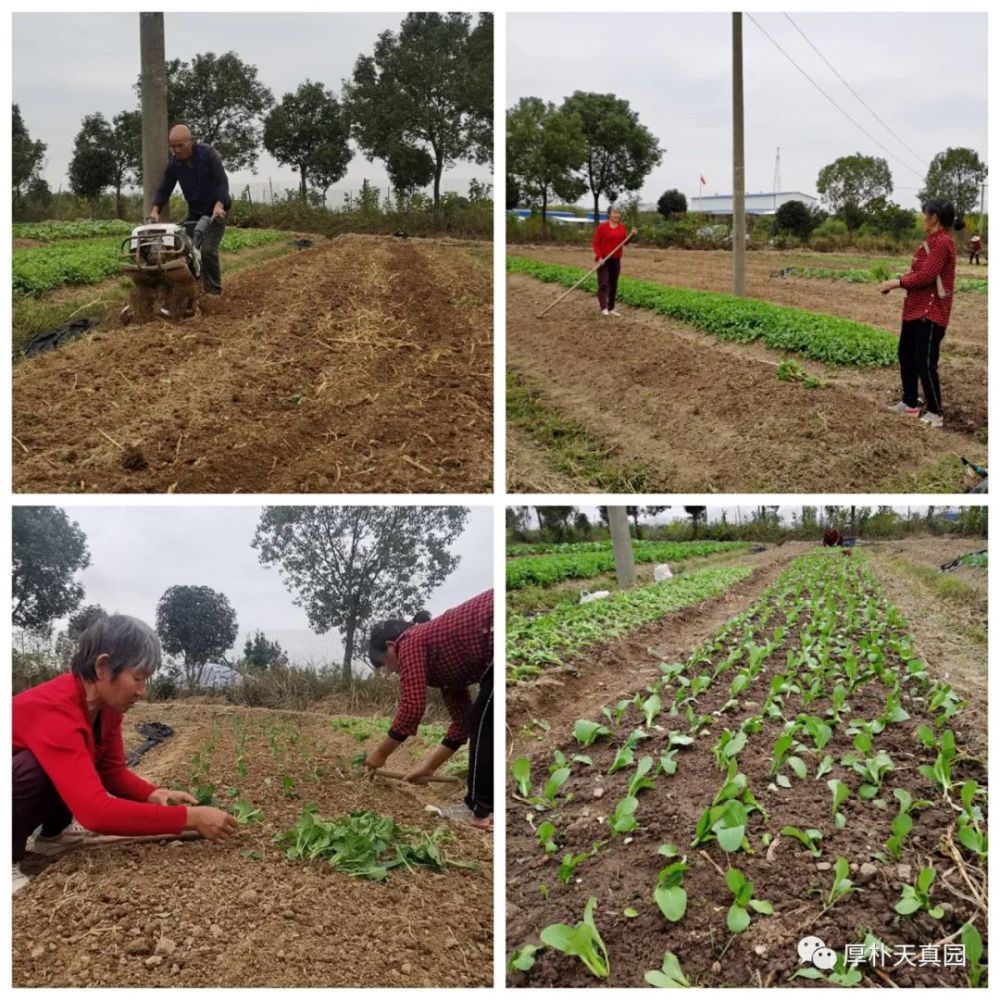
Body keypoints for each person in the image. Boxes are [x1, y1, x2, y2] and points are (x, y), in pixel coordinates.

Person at [12, 615, 238, 895]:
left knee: (75, 765)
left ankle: (52, 836)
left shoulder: (106, 708)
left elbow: (111, 772)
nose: (143, 691)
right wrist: (190, 818)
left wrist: (153, 794)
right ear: (103, 667)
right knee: (31, 767)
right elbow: (95, 813)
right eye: (138, 677)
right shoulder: (56, 710)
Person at [364, 591, 493, 828]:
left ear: (391, 647)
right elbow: (462, 723)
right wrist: (429, 767)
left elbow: (412, 708)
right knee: (479, 720)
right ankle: (483, 807)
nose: (390, 672)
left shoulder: (410, 641)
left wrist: (380, 754)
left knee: (485, 722)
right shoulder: (441, 661)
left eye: (384, 665)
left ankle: (480, 812)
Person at [880, 198, 962, 429]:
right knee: (906, 355)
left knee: (925, 362)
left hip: (931, 312)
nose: (922, 217)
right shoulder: (930, 242)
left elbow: (926, 276)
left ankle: (936, 412)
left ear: (934, 217)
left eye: (924, 213)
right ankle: (909, 403)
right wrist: (897, 283)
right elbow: (918, 273)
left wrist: (896, 283)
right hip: (915, 309)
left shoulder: (943, 243)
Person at [149, 124, 231, 296]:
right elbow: (165, 188)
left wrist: (219, 205)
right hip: (195, 211)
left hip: (216, 210)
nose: (177, 150)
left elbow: (222, 182)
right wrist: (156, 209)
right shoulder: (174, 164)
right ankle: (194, 287)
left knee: (207, 250)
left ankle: (214, 290)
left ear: (191, 141)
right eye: (173, 146)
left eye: (181, 145)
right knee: (188, 250)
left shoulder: (209, 155)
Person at [591, 208, 637, 316]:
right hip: (604, 260)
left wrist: (632, 235)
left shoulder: (622, 227)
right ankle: (604, 308)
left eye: (618, 213)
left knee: (613, 284)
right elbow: (595, 243)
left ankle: (611, 308)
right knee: (603, 283)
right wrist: (600, 257)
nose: (616, 215)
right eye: (614, 213)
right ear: (609, 214)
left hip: (616, 259)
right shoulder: (603, 227)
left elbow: (624, 242)